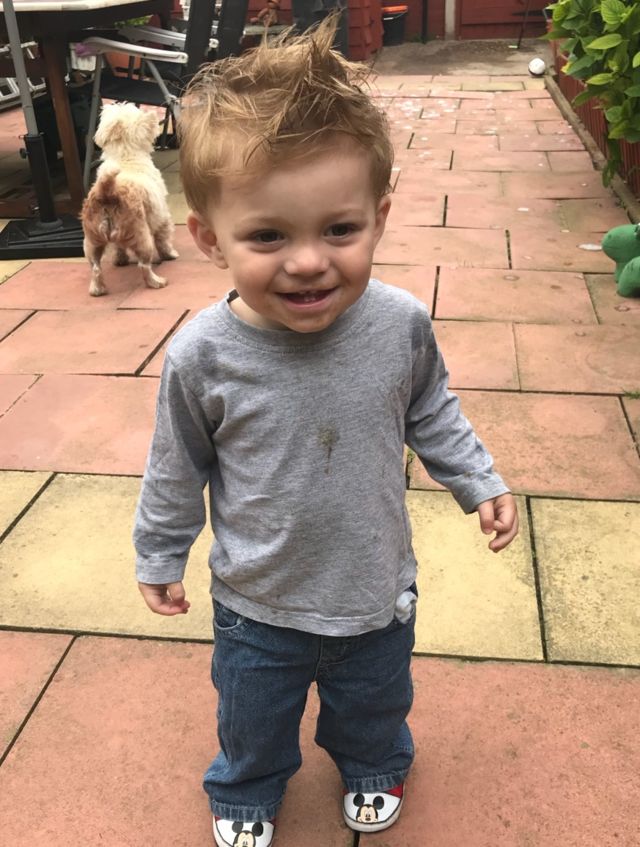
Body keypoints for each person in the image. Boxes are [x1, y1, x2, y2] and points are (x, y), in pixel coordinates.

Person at [133, 17, 519, 847]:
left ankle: (374, 761)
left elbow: (431, 406)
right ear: (209, 238)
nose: (308, 261)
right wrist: (159, 552)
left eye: (339, 230)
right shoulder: (202, 355)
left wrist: (477, 477)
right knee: (252, 711)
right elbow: (175, 466)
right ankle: (248, 783)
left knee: (374, 700)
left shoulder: (400, 323)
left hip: (374, 586)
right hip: (257, 598)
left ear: (378, 217)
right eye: (268, 235)